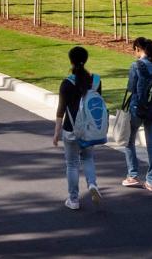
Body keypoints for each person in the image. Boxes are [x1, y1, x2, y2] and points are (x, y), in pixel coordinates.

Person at [52, 45, 106, 211]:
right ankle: (92, 184)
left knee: (72, 164)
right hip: (89, 130)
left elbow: (61, 110)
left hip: (71, 129)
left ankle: (73, 199)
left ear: (71, 61)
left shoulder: (67, 83)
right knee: (88, 159)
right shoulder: (96, 81)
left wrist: (56, 133)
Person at [119, 36, 152, 192]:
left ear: (138, 49)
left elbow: (131, 87)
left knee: (128, 140)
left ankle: (133, 175)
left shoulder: (136, 66)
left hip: (138, 108)